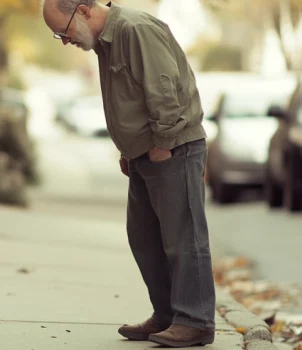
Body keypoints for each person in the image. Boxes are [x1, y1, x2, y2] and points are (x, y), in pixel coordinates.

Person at [40, 0, 215, 348]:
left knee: (182, 237)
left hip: (171, 148)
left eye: (63, 31)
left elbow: (164, 88)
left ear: (84, 10)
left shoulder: (135, 30)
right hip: (143, 153)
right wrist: (128, 148)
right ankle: (167, 315)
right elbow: (129, 98)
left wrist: (163, 142)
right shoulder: (105, 41)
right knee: (144, 238)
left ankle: (195, 321)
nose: (63, 40)